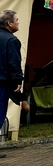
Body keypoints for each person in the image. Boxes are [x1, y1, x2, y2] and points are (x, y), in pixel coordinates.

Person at [0, 10, 23, 157]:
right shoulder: (11, 40)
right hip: (2, 82)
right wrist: (17, 80)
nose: (18, 22)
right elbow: (13, 62)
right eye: (17, 20)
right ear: (10, 23)